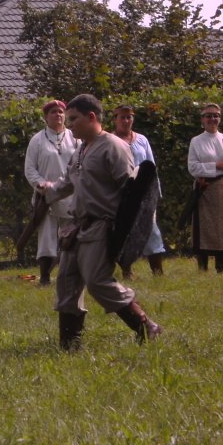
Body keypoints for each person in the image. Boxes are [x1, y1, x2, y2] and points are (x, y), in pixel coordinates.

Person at [39, 94, 162, 350]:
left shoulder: (113, 147)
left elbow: (131, 193)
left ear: (91, 117)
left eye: (74, 119)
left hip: (102, 226)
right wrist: (46, 191)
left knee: (97, 281)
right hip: (76, 226)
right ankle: (69, 345)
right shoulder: (81, 149)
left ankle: (146, 326)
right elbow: (67, 182)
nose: (69, 124)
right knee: (66, 282)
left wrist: (124, 233)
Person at [24, 99, 78, 285]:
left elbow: (82, 163)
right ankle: (45, 278)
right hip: (46, 198)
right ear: (46, 117)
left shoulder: (75, 138)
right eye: (53, 112)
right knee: (47, 239)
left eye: (61, 112)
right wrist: (42, 184)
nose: (58, 115)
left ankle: (69, 275)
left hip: (70, 197)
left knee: (71, 237)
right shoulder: (37, 140)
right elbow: (30, 169)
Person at [186, 103, 223, 273]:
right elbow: (193, 168)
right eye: (209, 116)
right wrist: (216, 165)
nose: (212, 119)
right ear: (202, 119)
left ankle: (221, 268)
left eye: (216, 115)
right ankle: (202, 268)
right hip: (204, 190)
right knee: (203, 229)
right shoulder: (196, 141)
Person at [111, 104, 166, 278]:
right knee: (124, 231)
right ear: (115, 119)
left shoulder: (141, 140)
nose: (126, 121)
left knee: (152, 230)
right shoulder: (110, 141)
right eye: (122, 117)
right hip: (122, 193)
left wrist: (156, 192)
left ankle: (157, 271)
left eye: (129, 117)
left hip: (144, 194)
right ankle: (127, 270)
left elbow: (151, 166)